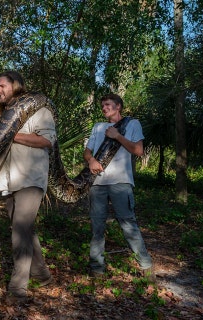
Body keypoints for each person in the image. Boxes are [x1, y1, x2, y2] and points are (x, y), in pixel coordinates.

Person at [0, 71, 55, 304]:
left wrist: (12, 135)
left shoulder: (39, 110)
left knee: (20, 229)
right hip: (8, 179)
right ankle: (42, 274)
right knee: (23, 228)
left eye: (2, 85)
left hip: (31, 178)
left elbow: (46, 141)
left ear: (16, 85)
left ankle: (17, 289)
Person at [83, 93, 154, 281]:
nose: (104, 108)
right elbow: (87, 151)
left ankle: (146, 267)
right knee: (97, 228)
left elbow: (138, 151)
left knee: (128, 225)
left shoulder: (132, 124)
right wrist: (90, 161)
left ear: (118, 106)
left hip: (121, 183)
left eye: (108, 105)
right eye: (102, 105)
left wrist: (117, 136)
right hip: (97, 184)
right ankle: (97, 269)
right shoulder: (98, 127)